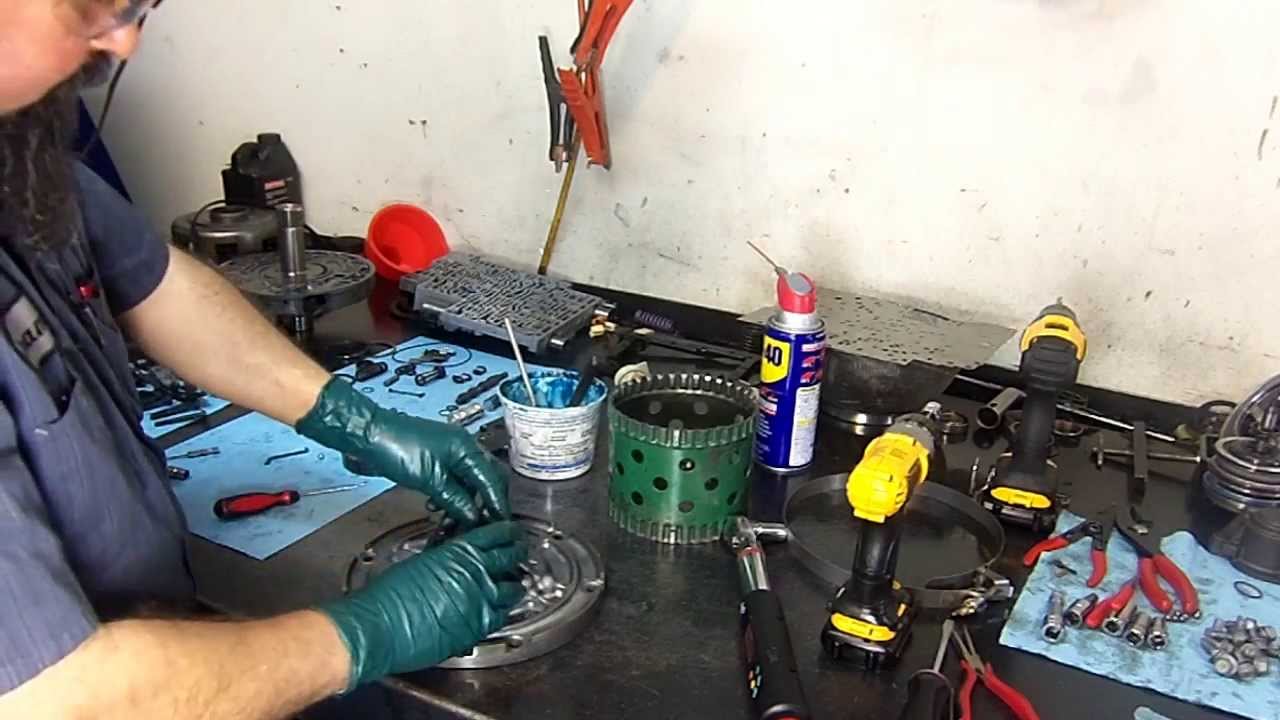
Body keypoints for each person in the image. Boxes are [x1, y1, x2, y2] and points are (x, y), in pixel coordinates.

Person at [0, 2, 524, 717]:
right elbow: (56, 699)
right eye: (91, 5)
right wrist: (366, 634)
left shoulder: (19, 147)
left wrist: (351, 419)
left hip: (165, 634)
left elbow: (152, 281)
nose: (125, 40)